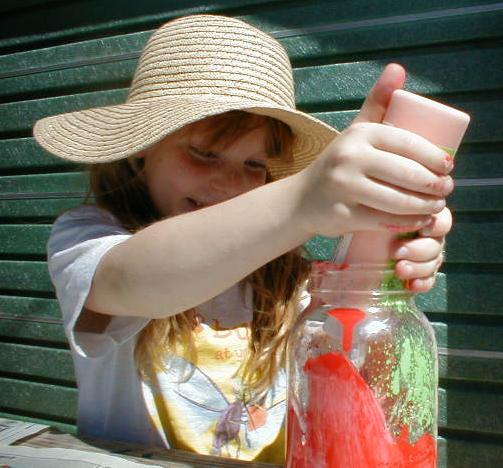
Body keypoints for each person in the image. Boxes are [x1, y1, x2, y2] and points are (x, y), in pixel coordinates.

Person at [33, 14, 452, 463]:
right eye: (204, 153)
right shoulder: (88, 238)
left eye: (255, 165)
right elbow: (136, 280)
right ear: (142, 145)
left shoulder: (287, 273)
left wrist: (387, 251)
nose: (230, 183)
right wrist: (300, 202)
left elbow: (351, 342)